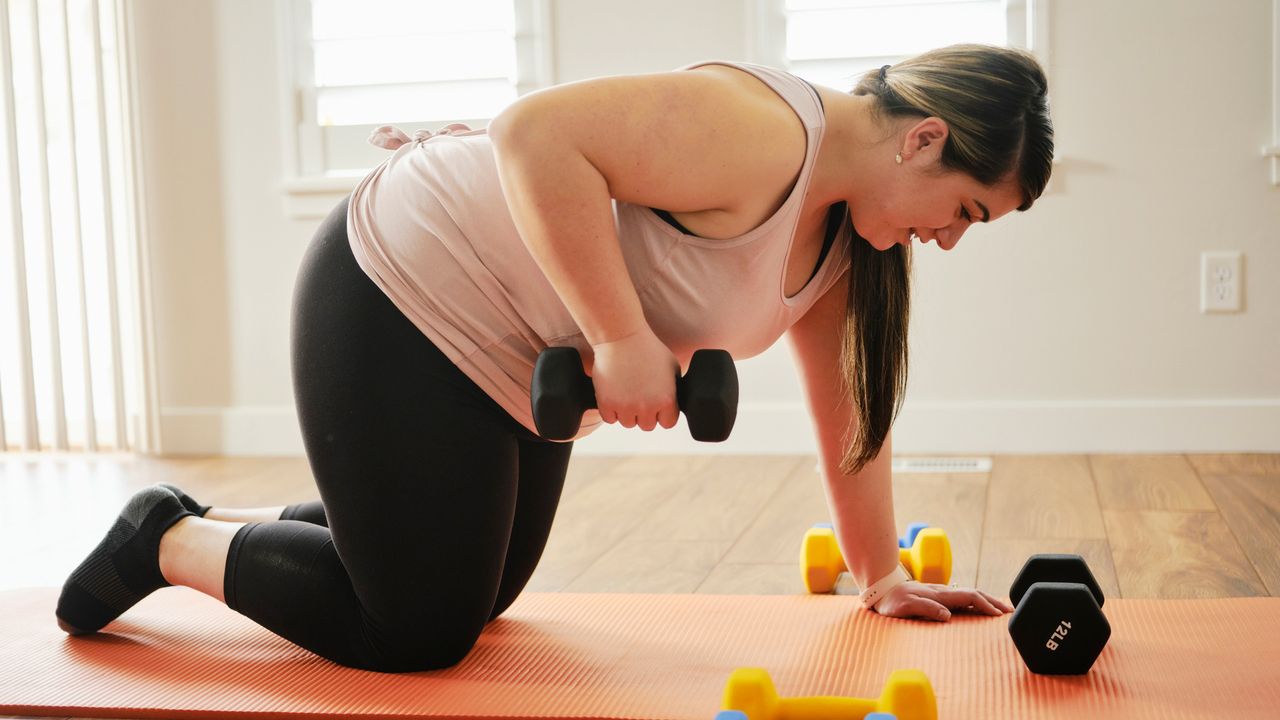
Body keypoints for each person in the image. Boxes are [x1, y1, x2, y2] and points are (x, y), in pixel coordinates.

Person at [54, 43, 1053, 673]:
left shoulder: (848, 242)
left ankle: (294, 525)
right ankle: (165, 539)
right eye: (964, 211)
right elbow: (533, 133)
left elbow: (849, 417)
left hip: (521, 345)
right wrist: (622, 340)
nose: (950, 239)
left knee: (482, 590)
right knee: (416, 631)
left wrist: (880, 574)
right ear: (923, 139)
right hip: (407, 282)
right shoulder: (762, 131)